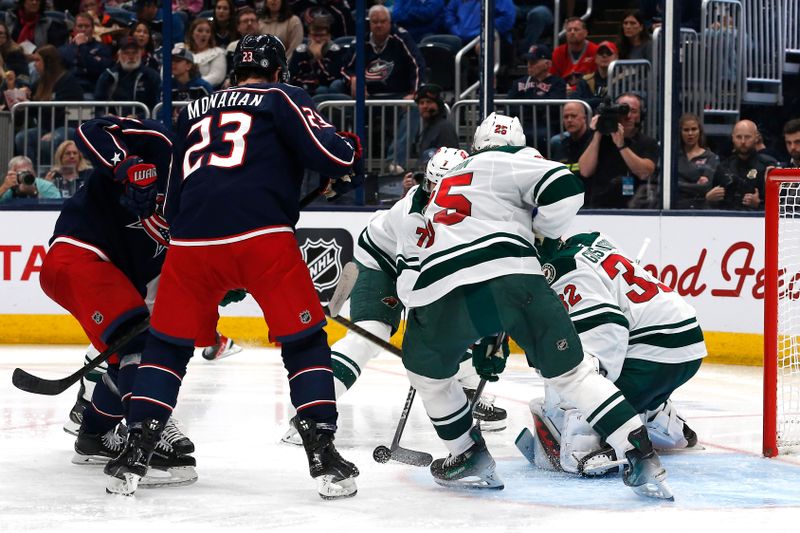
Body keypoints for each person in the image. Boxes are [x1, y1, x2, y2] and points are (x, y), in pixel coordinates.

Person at [104, 34, 363, 499]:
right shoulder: (282, 96)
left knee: (166, 346)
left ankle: (136, 449)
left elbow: (176, 192)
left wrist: (205, 257)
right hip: (262, 240)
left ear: (235, 67)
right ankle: (323, 454)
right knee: (304, 343)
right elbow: (332, 155)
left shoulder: (193, 110)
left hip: (190, 242)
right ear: (278, 68)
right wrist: (348, 155)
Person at [399, 112, 671, 500]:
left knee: (427, 372)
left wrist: (486, 339)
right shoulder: (520, 158)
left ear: (476, 143)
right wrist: (543, 229)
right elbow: (567, 186)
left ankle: (467, 453)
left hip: (443, 286)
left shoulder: (457, 173)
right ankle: (640, 454)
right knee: (574, 375)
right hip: (516, 277)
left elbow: (456, 256)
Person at [281, 147, 508, 446]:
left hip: (418, 267)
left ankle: (465, 389)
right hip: (381, 262)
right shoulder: (411, 215)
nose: (435, 194)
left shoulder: (478, 209)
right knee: (372, 333)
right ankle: (311, 414)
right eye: (431, 185)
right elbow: (413, 285)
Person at [38, 116, 198, 486]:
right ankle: (149, 429)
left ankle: (94, 435)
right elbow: (91, 129)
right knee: (138, 345)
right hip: (80, 254)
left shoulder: (203, 197)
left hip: (116, 280)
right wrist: (127, 166)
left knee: (132, 355)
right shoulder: (161, 143)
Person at [531, 231, 706, 476]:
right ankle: (664, 422)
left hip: (653, 355)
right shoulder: (588, 239)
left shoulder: (560, 268)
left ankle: (589, 450)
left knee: (582, 390)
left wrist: (593, 384)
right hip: (686, 344)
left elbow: (607, 328)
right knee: (619, 383)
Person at [577, 92, 658, 208]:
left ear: (641, 115)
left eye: (634, 111)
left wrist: (621, 145)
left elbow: (644, 173)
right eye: (623, 111)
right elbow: (585, 171)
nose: (628, 116)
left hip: (635, 208)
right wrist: (597, 133)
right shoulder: (600, 139)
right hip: (599, 207)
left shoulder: (647, 142)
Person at [13, 45, 84, 165]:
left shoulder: (68, 81)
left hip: (67, 126)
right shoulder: (40, 83)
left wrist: (31, 104)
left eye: (38, 60)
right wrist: (22, 101)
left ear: (48, 62)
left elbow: (59, 110)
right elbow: (32, 110)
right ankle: (32, 173)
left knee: (49, 141)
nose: (35, 65)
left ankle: (48, 173)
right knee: (22, 137)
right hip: (45, 128)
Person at [706, 120, 777, 211]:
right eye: (739, 137)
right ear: (732, 138)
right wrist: (709, 199)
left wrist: (759, 204)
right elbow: (714, 205)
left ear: (756, 138)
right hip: (727, 220)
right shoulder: (723, 167)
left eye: (747, 137)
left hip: (758, 221)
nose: (743, 141)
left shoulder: (768, 165)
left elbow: (779, 205)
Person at [507, 44, 566, 148]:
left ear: (547, 64)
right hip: (521, 125)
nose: (529, 65)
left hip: (545, 126)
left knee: (542, 137)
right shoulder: (519, 82)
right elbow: (509, 106)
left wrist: (528, 104)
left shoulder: (558, 83)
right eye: (528, 61)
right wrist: (535, 105)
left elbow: (553, 109)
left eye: (533, 62)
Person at [94, 36, 161, 117]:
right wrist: (106, 116)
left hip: (143, 126)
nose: (131, 57)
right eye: (126, 53)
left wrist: (139, 117)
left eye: (134, 52)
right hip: (113, 125)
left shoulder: (151, 76)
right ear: (119, 54)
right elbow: (98, 107)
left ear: (140, 53)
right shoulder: (108, 76)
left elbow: (157, 107)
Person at [288, 16, 348, 96]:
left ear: (328, 36)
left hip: (328, 90)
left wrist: (318, 58)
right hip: (305, 89)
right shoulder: (300, 52)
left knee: (323, 89)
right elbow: (292, 77)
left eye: (322, 35)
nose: (318, 39)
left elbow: (332, 79)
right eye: (315, 35)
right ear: (309, 36)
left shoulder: (335, 51)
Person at [58, 13, 114, 98]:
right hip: (68, 92)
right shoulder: (64, 50)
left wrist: (82, 46)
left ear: (92, 29)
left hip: (91, 91)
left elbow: (97, 69)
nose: (83, 29)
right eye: (80, 26)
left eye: (87, 26)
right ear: (74, 29)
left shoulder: (102, 49)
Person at [676, 113, 718, 209]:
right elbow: (668, 186)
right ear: (680, 132)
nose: (690, 133)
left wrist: (679, 184)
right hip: (676, 208)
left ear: (700, 131)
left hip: (701, 209)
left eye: (694, 129)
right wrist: (695, 185)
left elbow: (706, 187)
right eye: (686, 130)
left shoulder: (710, 157)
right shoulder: (673, 156)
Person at [177, 18, 228, 89]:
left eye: (207, 31)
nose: (204, 34)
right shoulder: (179, 49)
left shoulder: (217, 52)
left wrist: (192, 85)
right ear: (192, 33)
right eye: (200, 31)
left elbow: (217, 77)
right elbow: (167, 70)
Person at [550, 17, 597, 92]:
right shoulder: (558, 52)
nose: (572, 32)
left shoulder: (595, 50)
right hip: (563, 93)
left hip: (587, 93)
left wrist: (574, 89)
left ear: (585, 33)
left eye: (576, 29)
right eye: (569, 30)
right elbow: (553, 78)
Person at [3, 0, 71, 51]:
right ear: (23, 2)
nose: (34, 2)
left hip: (36, 63)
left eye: (37, 0)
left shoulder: (48, 24)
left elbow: (53, 51)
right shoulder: (8, 18)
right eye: (31, 0)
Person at [414, 84, 459, 159]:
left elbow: (449, 160)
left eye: (429, 102)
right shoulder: (427, 128)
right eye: (421, 103)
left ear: (438, 105)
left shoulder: (445, 128)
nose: (425, 106)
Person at [444, 0, 517, 44]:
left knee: (484, 46)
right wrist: (454, 29)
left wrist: (482, 32)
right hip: (458, 37)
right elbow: (449, 12)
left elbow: (507, 17)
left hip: (486, 38)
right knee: (442, 46)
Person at [549, 101, 592, 175]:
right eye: (566, 117)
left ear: (584, 118)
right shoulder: (560, 146)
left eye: (574, 116)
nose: (569, 120)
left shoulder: (594, 143)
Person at [573, 40, 617, 109]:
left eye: (608, 53)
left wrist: (591, 102)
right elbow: (576, 101)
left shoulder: (623, 79)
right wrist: (600, 101)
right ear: (595, 58)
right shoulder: (586, 80)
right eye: (600, 53)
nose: (604, 55)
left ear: (616, 57)